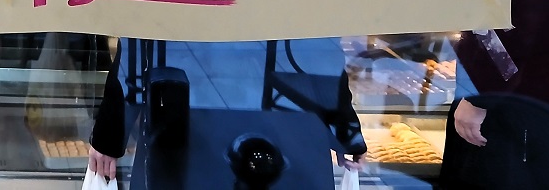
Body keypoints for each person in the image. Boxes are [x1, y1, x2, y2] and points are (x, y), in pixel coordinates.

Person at [87, 38, 366, 181]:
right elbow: (319, 47)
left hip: (180, 117)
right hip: (274, 128)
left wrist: (109, 136)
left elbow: (138, 42)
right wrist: (344, 128)